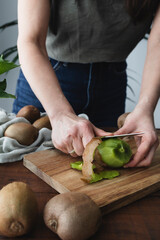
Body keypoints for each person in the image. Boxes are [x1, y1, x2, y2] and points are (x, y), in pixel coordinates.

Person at [13, 0, 160, 167]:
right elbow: (31, 41)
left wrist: (146, 108)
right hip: (47, 79)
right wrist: (59, 113)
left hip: (111, 84)